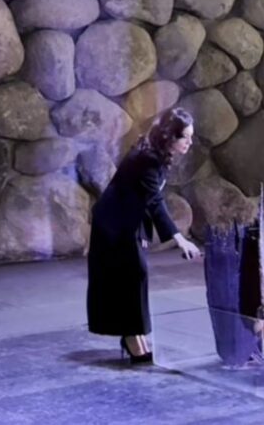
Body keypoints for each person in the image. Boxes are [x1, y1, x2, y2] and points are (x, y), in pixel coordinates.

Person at [86, 107, 202, 364]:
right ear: (170, 136)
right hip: (113, 226)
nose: (189, 142)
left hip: (127, 222)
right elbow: (154, 201)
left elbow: (145, 198)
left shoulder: (155, 155)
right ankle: (132, 338)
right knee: (132, 275)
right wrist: (180, 239)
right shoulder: (148, 158)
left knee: (134, 276)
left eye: (190, 137)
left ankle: (135, 338)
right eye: (185, 137)